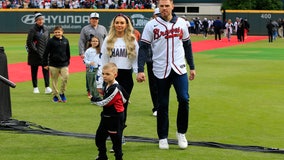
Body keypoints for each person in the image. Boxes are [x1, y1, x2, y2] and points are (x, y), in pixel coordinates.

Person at [136, 0, 196, 150]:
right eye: (161, 6)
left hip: (179, 68)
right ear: (159, 8)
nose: (164, 8)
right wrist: (140, 69)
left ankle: (181, 132)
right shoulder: (151, 25)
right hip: (160, 68)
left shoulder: (182, 23)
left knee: (184, 99)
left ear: (172, 6)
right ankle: (162, 137)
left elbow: (187, 45)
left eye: (166, 6)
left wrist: (192, 66)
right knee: (162, 104)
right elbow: (143, 47)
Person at [98, 13, 139, 140]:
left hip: (126, 77)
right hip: (110, 78)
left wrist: (138, 72)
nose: (119, 25)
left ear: (127, 25)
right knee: (109, 107)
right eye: (117, 22)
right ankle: (110, 132)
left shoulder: (132, 39)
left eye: (122, 23)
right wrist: (100, 82)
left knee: (121, 107)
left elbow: (136, 59)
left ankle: (119, 135)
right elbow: (102, 61)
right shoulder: (108, 39)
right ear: (113, 24)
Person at [92, 62, 128, 160]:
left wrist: (95, 100)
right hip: (106, 116)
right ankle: (102, 156)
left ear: (115, 75)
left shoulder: (116, 88)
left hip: (115, 118)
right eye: (103, 74)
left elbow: (106, 102)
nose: (104, 76)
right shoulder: (107, 85)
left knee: (116, 142)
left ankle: (119, 158)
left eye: (107, 74)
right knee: (99, 138)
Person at [78, 12, 108, 98]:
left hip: (101, 53)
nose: (94, 20)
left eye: (96, 19)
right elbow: (81, 41)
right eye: (93, 18)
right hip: (90, 53)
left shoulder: (102, 28)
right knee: (90, 73)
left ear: (98, 20)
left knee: (102, 71)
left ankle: (101, 88)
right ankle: (89, 90)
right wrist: (82, 52)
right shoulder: (85, 29)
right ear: (90, 19)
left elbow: (107, 39)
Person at [26, 12, 52, 94]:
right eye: (38, 20)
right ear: (36, 21)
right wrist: (36, 51)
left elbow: (48, 41)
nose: (40, 21)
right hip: (34, 54)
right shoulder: (32, 30)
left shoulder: (47, 29)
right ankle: (35, 87)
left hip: (45, 54)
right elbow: (29, 42)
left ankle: (47, 87)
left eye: (42, 19)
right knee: (34, 71)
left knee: (46, 70)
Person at [43, 26, 70, 103]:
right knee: (54, 81)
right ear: (53, 33)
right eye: (56, 32)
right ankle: (55, 95)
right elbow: (46, 53)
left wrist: (68, 61)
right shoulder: (51, 41)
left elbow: (68, 52)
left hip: (64, 64)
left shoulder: (66, 40)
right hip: (53, 64)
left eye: (59, 32)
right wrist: (45, 64)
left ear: (62, 32)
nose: (57, 33)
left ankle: (62, 93)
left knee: (65, 77)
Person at [148, 8, 160, 117]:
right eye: (157, 14)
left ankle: (161, 105)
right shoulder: (149, 26)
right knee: (153, 85)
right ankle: (156, 107)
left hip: (165, 61)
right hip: (151, 60)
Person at [83, 35, 102, 103]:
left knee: (96, 83)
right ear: (90, 42)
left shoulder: (101, 50)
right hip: (90, 69)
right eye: (93, 41)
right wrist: (89, 62)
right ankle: (94, 97)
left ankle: (97, 97)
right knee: (91, 84)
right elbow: (84, 60)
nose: (95, 42)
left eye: (96, 41)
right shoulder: (88, 50)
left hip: (98, 69)